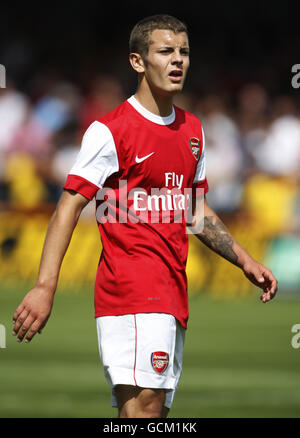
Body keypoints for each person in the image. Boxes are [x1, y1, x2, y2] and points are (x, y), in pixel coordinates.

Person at [12, 14, 278, 418]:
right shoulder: (110, 130)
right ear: (138, 61)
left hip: (173, 290)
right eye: (166, 51)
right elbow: (69, 204)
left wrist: (244, 259)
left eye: (184, 52)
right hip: (132, 290)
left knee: (146, 412)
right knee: (145, 409)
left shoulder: (194, 131)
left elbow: (194, 211)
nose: (178, 61)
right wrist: (45, 286)